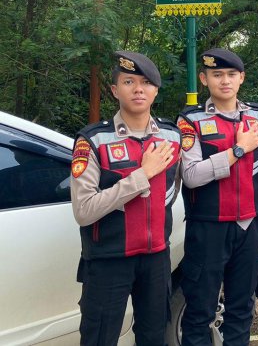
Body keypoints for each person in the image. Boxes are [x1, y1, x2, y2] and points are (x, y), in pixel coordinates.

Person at [71, 51, 181, 346]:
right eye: (129, 81)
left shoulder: (172, 136)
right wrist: (141, 176)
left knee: (154, 337)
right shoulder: (92, 140)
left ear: (156, 89)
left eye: (146, 82)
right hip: (108, 259)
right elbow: (83, 210)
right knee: (99, 339)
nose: (138, 89)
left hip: (157, 257)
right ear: (114, 90)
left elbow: (172, 191)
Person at [178, 48, 258, 346]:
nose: (225, 81)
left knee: (242, 308)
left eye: (231, 75)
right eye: (217, 75)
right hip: (208, 228)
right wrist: (237, 151)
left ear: (242, 78)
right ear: (204, 78)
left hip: (250, 227)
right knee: (199, 310)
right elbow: (192, 176)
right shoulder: (191, 121)